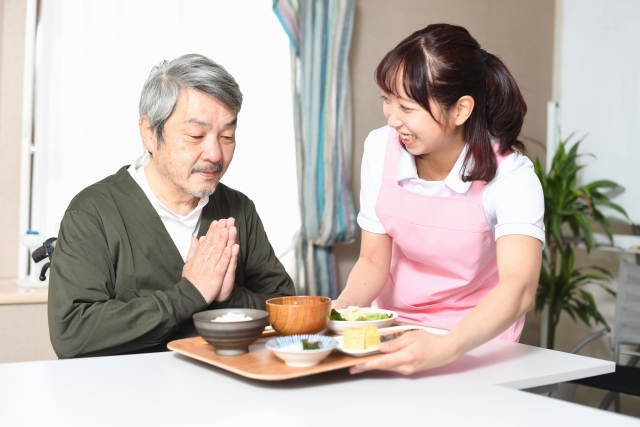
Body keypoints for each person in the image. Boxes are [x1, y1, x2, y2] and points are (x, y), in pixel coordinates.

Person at [48, 54, 295, 358]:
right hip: (125, 398)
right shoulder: (93, 212)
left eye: (227, 136)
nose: (215, 154)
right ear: (150, 132)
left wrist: (227, 297)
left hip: (227, 392)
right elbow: (71, 333)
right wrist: (190, 294)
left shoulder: (238, 208)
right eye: (196, 135)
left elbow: (285, 309)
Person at [333, 24, 544, 375]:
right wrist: (339, 314)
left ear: (461, 110)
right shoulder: (379, 148)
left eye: (407, 107)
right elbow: (372, 260)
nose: (392, 118)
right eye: (387, 100)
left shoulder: (511, 175)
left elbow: (519, 288)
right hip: (395, 331)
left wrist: (445, 346)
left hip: (477, 343)